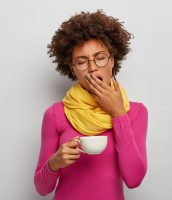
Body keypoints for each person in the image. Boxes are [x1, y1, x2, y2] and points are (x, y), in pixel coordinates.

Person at [34, 10, 148, 200]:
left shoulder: (135, 112)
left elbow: (134, 179)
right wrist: (54, 163)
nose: (92, 67)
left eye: (100, 57)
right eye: (81, 61)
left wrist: (118, 113)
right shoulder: (55, 114)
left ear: (112, 60)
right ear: (73, 69)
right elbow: (42, 188)